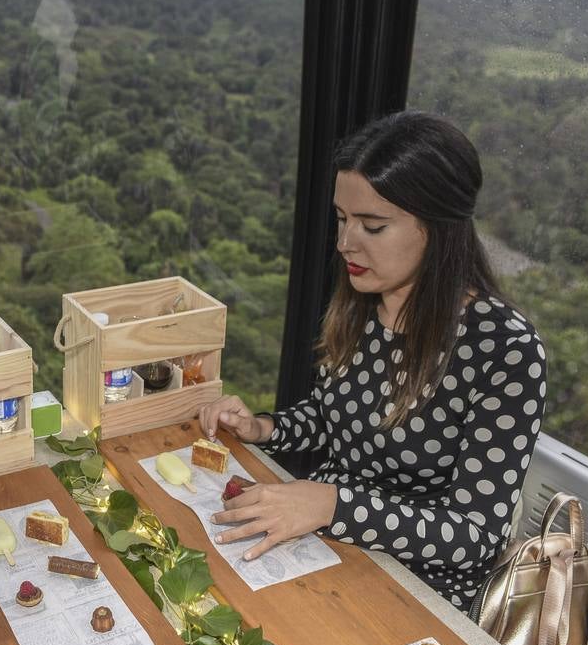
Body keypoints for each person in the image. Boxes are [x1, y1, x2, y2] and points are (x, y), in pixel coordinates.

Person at [200, 111, 546, 609]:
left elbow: (476, 536)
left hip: (411, 585)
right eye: (342, 219)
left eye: (373, 226)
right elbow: (331, 418)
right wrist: (262, 428)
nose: (345, 244)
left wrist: (333, 504)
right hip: (323, 540)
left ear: (439, 227)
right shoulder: (363, 300)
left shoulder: (505, 350)